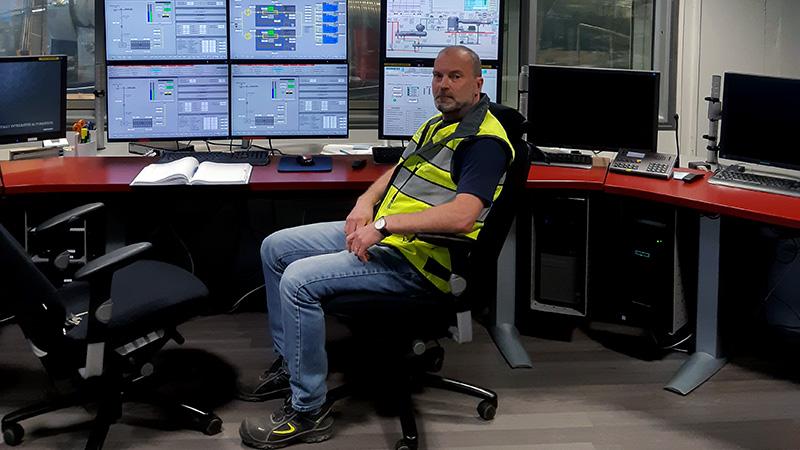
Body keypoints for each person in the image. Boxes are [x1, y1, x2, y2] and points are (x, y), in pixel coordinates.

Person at [238, 45, 516, 449]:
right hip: (392, 238)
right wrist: (365, 202)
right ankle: (291, 365)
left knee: (297, 281)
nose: (443, 85)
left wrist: (384, 226)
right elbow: (399, 170)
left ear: (478, 82)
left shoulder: (484, 143)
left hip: (420, 262)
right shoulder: (440, 124)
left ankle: (308, 411)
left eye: (454, 76)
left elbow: (462, 216)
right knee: (275, 248)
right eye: (437, 75)